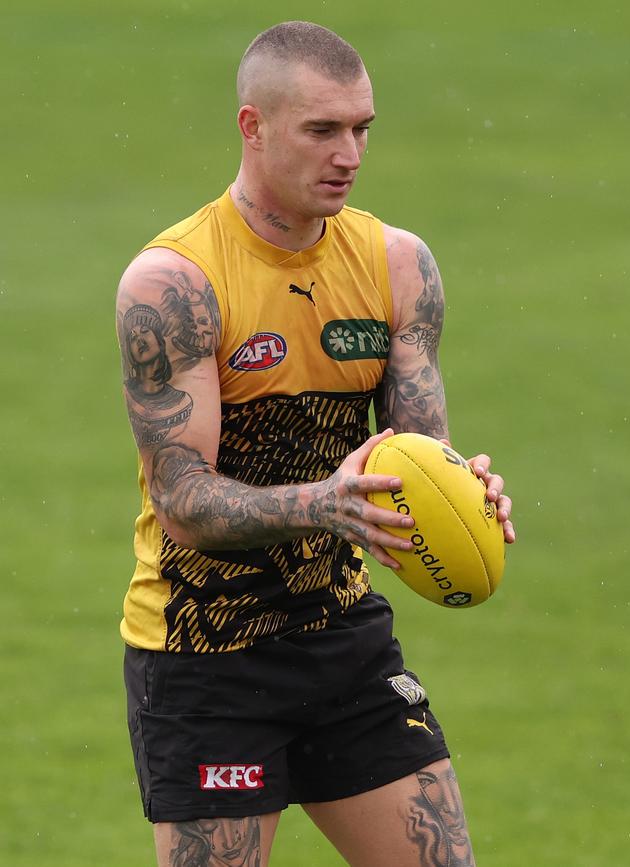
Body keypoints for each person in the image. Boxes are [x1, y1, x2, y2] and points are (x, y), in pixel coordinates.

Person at [116, 21, 515, 867]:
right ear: (253, 127)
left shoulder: (399, 266)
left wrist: (462, 496)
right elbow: (183, 501)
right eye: (322, 130)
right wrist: (330, 505)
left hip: (343, 639)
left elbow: (415, 457)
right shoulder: (174, 284)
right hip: (204, 655)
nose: (350, 154)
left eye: (362, 128)